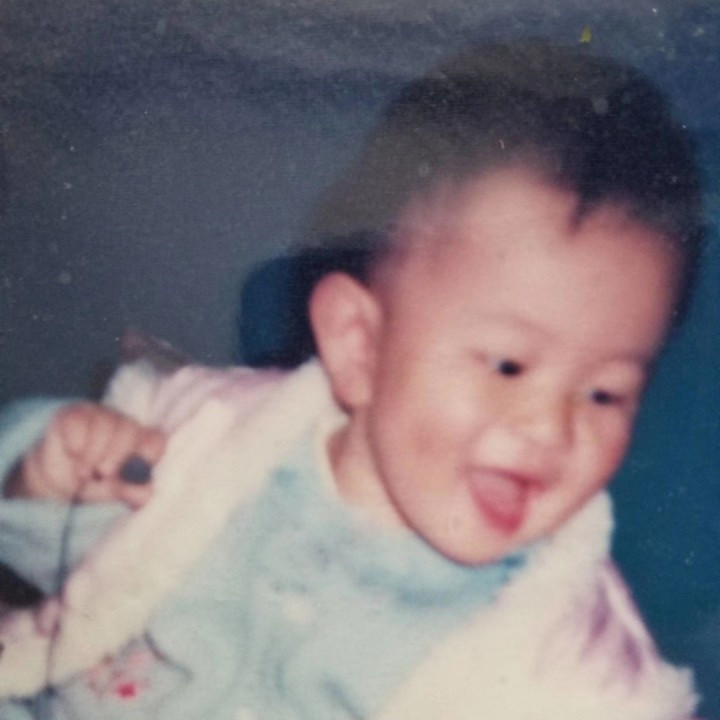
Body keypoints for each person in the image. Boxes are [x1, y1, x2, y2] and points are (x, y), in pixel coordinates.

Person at [0, 42, 705, 719]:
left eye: (605, 393)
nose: (552, 428)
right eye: (509, 365)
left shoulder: (572, 653)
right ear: (359, 345)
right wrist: (46, 476)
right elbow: (64, 564)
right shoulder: (212, 443)